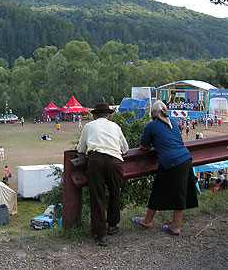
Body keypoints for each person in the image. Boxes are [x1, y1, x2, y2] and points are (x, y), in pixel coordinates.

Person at [132, 101, 198, 237]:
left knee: (158, 190)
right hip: (185, 158)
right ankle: (175, 226)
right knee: (181, 193)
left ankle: (147, 221)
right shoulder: (173, 122)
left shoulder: (152, 125)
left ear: (153, 113)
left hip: (170, 162)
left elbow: (143, 146)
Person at [77, 102, 129, 246]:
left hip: (96, 160)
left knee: (97, 196)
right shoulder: (115, 126)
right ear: (109, 116)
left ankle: (100, 233)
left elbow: (81, 149)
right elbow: (125, 148)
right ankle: (112, 224)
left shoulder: (89, 127)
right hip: (115, 161)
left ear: (94, 116)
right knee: (114, 192)